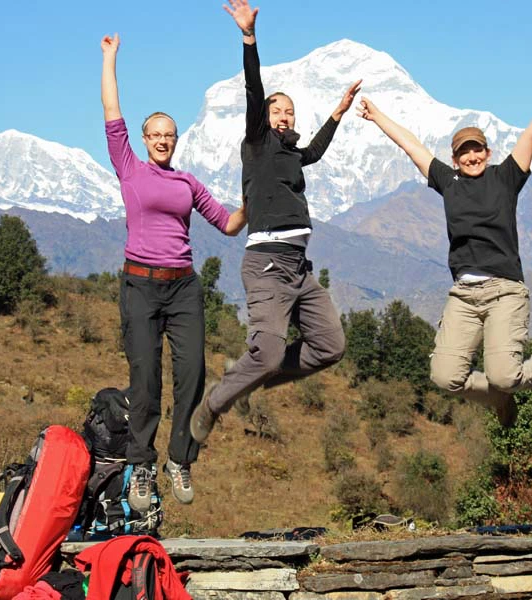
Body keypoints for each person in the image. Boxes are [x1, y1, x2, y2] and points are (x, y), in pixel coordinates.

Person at [357, 53, 532, 426]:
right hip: (464, 295)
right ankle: (497, 399)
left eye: (477, 149)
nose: (472, 156)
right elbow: (412, 146)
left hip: (505, 292)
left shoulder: (506, 177)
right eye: (464, 151)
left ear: (487, 152)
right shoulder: (449, 184)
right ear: (455, 158)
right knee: (444, 376)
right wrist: (377, 116)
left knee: (505, 374)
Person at [189, 0, 361, 444]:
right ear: (265, 118)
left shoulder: (290, 154)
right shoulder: (258, 143)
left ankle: (251, 374)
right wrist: (249, 37)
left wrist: (338, 112)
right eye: (278, 111)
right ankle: (215, 403)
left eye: (290, 112)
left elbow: (315, 152)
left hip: (298, 267)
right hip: (266, 262)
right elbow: (253, 87)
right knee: (265, 355)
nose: (285, 116)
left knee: (330, 346)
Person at [100, 33, 247, 508]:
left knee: (192, 376)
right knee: (145, 382)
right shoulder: (129, 168)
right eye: (155, 135)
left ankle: (179, 459)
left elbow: (227, 223)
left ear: (176, 140)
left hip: (183, 287)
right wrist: (110, 58)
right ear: (144, 141)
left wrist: (255, 201)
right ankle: (141, 465)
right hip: (140, 285)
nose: (162, 140)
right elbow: (112, 113)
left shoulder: (188, 183)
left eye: (169, 135)